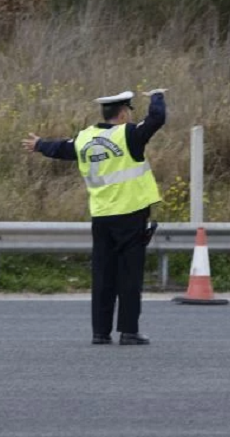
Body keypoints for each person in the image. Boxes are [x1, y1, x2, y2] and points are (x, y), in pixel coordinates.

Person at [21, 88, 168, 346]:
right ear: (123, 113)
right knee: (129, 276)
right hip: (130, 215)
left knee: (103, 275)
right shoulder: (129, 135)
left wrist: (38, 145)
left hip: (101, 217)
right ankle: (128, 332)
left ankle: (100, 332)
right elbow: (156, 119)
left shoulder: (85, 138)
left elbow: (60, 148)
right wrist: (156, 95)